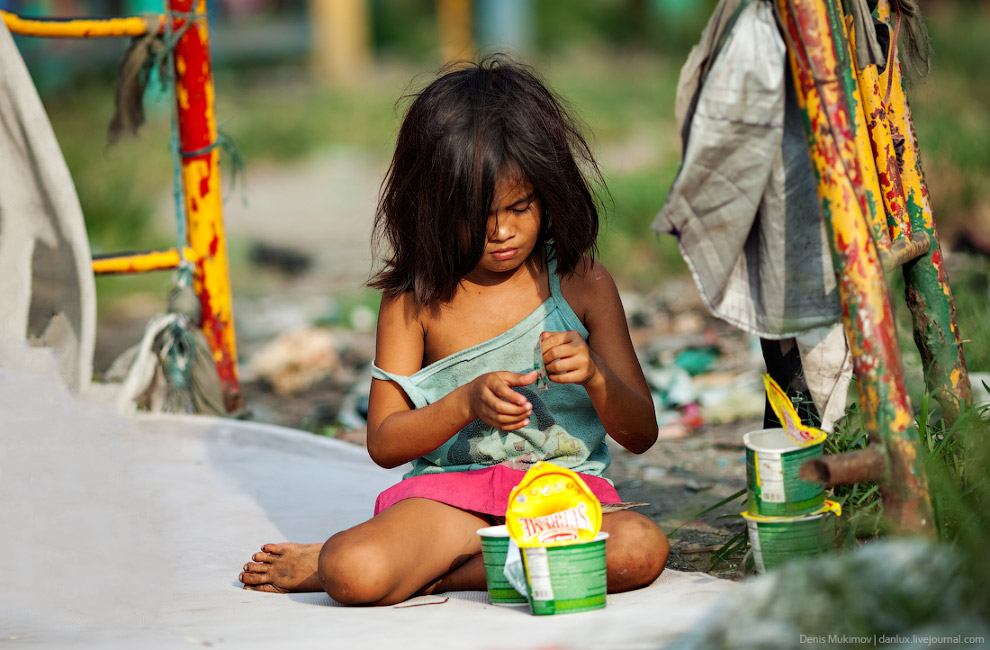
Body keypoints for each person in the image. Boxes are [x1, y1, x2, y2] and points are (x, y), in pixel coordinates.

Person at [239, 56, 669, 606]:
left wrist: (595, 376)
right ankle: (466, 563)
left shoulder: (582, 284)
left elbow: (642, 433)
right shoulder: (413, 302)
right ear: (431, 207)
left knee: (639, 548)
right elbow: (385, 443)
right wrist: (465, 402)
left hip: (561, 501)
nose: (504, 232)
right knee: (350, 569)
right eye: (478, 215)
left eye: (521, 206)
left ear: (549, 189)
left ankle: (440, 577)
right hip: (449, 505)